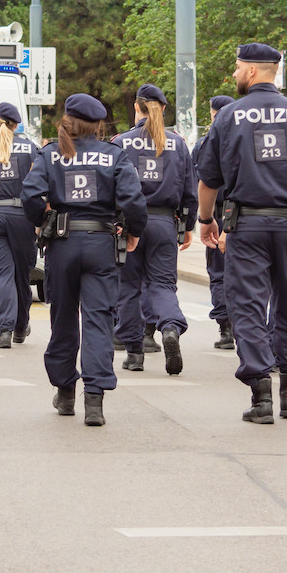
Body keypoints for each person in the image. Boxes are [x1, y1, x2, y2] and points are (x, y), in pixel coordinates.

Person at [197, 42, 287, 424]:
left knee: (248, 307)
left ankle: (261, 397)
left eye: (238, 68)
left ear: (254, 71)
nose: (235, 74)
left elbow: (208, 181)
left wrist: (206, 220)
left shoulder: (228, 117)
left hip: (247, 225)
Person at [21, 93, 147, 426]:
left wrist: (40, 221)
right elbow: (133, 200)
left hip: (62, 244)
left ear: (68, 119)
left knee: (63, 319)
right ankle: (95, 400)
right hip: (102, 243)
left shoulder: (51, 153)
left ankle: (65, 393)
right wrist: (133, 231)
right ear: (98, 124)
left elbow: (31, 195)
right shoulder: (114, 155)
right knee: (99, 319)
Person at [112, 84, 197, 376]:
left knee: (129, 287)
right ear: (163, 109)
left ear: (137, 107)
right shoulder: (178, 144)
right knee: (163, 285)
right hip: (164, 223)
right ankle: (170, 327)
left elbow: (112, 189)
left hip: (129, 224)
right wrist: (188, 227)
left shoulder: (120, 142)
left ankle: (134, 353)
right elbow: (190, 191)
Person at [0, 102, 40, 348]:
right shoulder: (31, 149)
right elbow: (40, 183)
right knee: (22, 274)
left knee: (0, 274)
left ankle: (4, 330)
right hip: (22, 215)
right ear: (16, 124)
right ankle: (20, 327)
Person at [193, 95, 236, 350]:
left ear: (212, 114)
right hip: (241, 214)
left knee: (218, 274)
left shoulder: (203, 144)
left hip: (215, 213)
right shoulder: (241, 139)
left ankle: (225, 328)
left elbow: (197, 184)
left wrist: (201, 218)